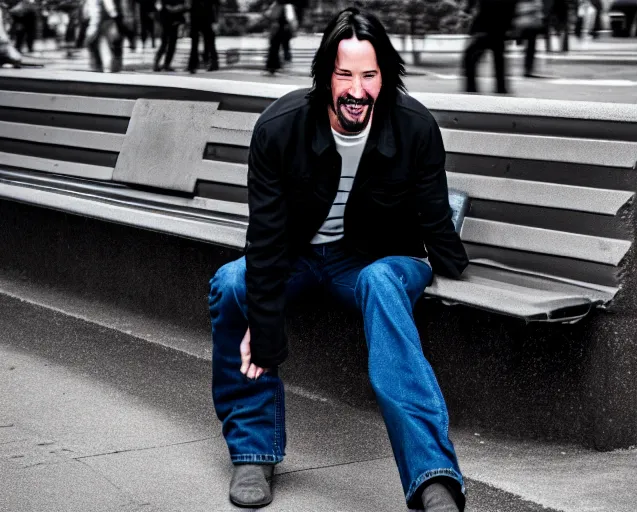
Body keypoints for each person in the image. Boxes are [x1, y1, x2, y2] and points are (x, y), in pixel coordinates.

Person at [208, 6, 468, 511]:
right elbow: (263, 241)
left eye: (369, 75)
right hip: (300, 258)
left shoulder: (415, 127)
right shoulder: (280, 129)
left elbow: (435, 217)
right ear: (325, 73)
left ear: (384, 76)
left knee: (381, 282)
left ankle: (433, 476)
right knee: (232, 282)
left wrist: (453, 265)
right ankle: (253, 451)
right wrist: (264, 331)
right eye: (344, 74)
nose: (356, 89)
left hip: (382, 261)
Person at [463, 0, 516, 94]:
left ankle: (471, 87)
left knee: (470, 57)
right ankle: (501, 87)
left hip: (486, 28)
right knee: (499, 58)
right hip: (500, 28)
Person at [152, 0, 185, 71]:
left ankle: (166, 64)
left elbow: (182, 6)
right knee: (165, 43)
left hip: (175, 20)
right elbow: (161, 5)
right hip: (166, 20)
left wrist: (177, 8)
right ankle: (157, 63)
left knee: (172, 43)